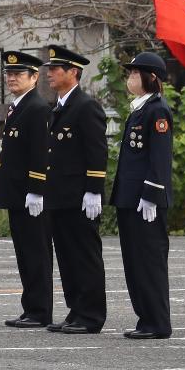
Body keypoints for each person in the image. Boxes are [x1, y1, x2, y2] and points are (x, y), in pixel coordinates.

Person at [34, 45, 107, 334]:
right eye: (49, 69)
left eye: (55, 69)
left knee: (84, 256)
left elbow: (96, 151)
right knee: (66, 256)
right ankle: (76, 311)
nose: (49, 74)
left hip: (79, 196)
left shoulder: (86, 106)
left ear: (73, 72)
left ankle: (91, 314)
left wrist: (94, 189)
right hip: (60, 196)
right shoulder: (60, 106)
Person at [111, 52, 174, 339]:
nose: (131, 78)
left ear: (152, 78)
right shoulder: (139, 109)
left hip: (146, 200)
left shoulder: (157, 110)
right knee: (134, 262)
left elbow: (159, 157)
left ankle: (157, 321)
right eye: (130, 73)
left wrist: (152, 193)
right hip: (130, 198)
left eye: (137, 74)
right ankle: (145, 318)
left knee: (149, 262)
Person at [0, 50, 54, 329]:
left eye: (18, 74)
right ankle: (31, 307)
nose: (12, 78)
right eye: (9, 74)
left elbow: (41, 152)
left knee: (36, 253)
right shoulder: (18, 106)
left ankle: (40, 310)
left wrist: (37, 189)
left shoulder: (38, 108)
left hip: (31, 195)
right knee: (24, 253)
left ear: (34, 77)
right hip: (17, 193)